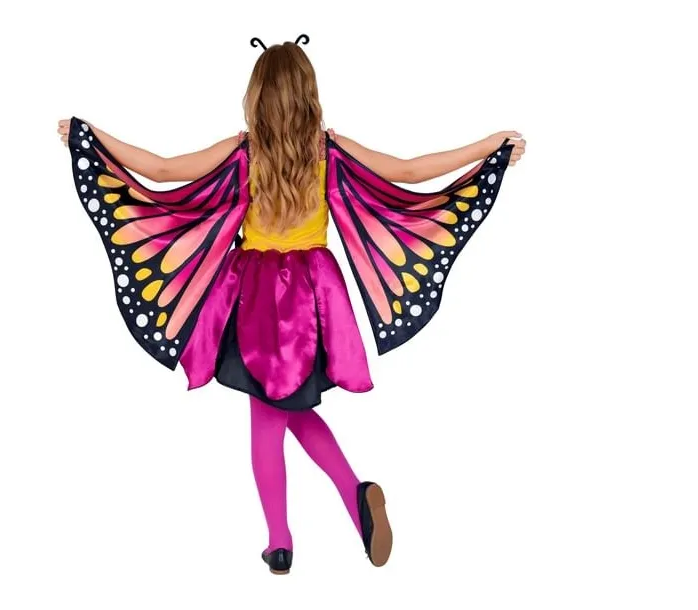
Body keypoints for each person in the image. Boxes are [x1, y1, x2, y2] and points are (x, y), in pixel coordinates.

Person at [56, 35, 525, 575]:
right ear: (308, 95)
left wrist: (90, 139)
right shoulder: (328, 151)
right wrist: (488, 148)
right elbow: (412, 173)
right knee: (291, 407)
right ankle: (355, 496)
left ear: (256, 96)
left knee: (266, 418)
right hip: (313, 297)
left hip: (253, 294)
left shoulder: (244, 152)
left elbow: (162, 172)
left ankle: (281, 541)